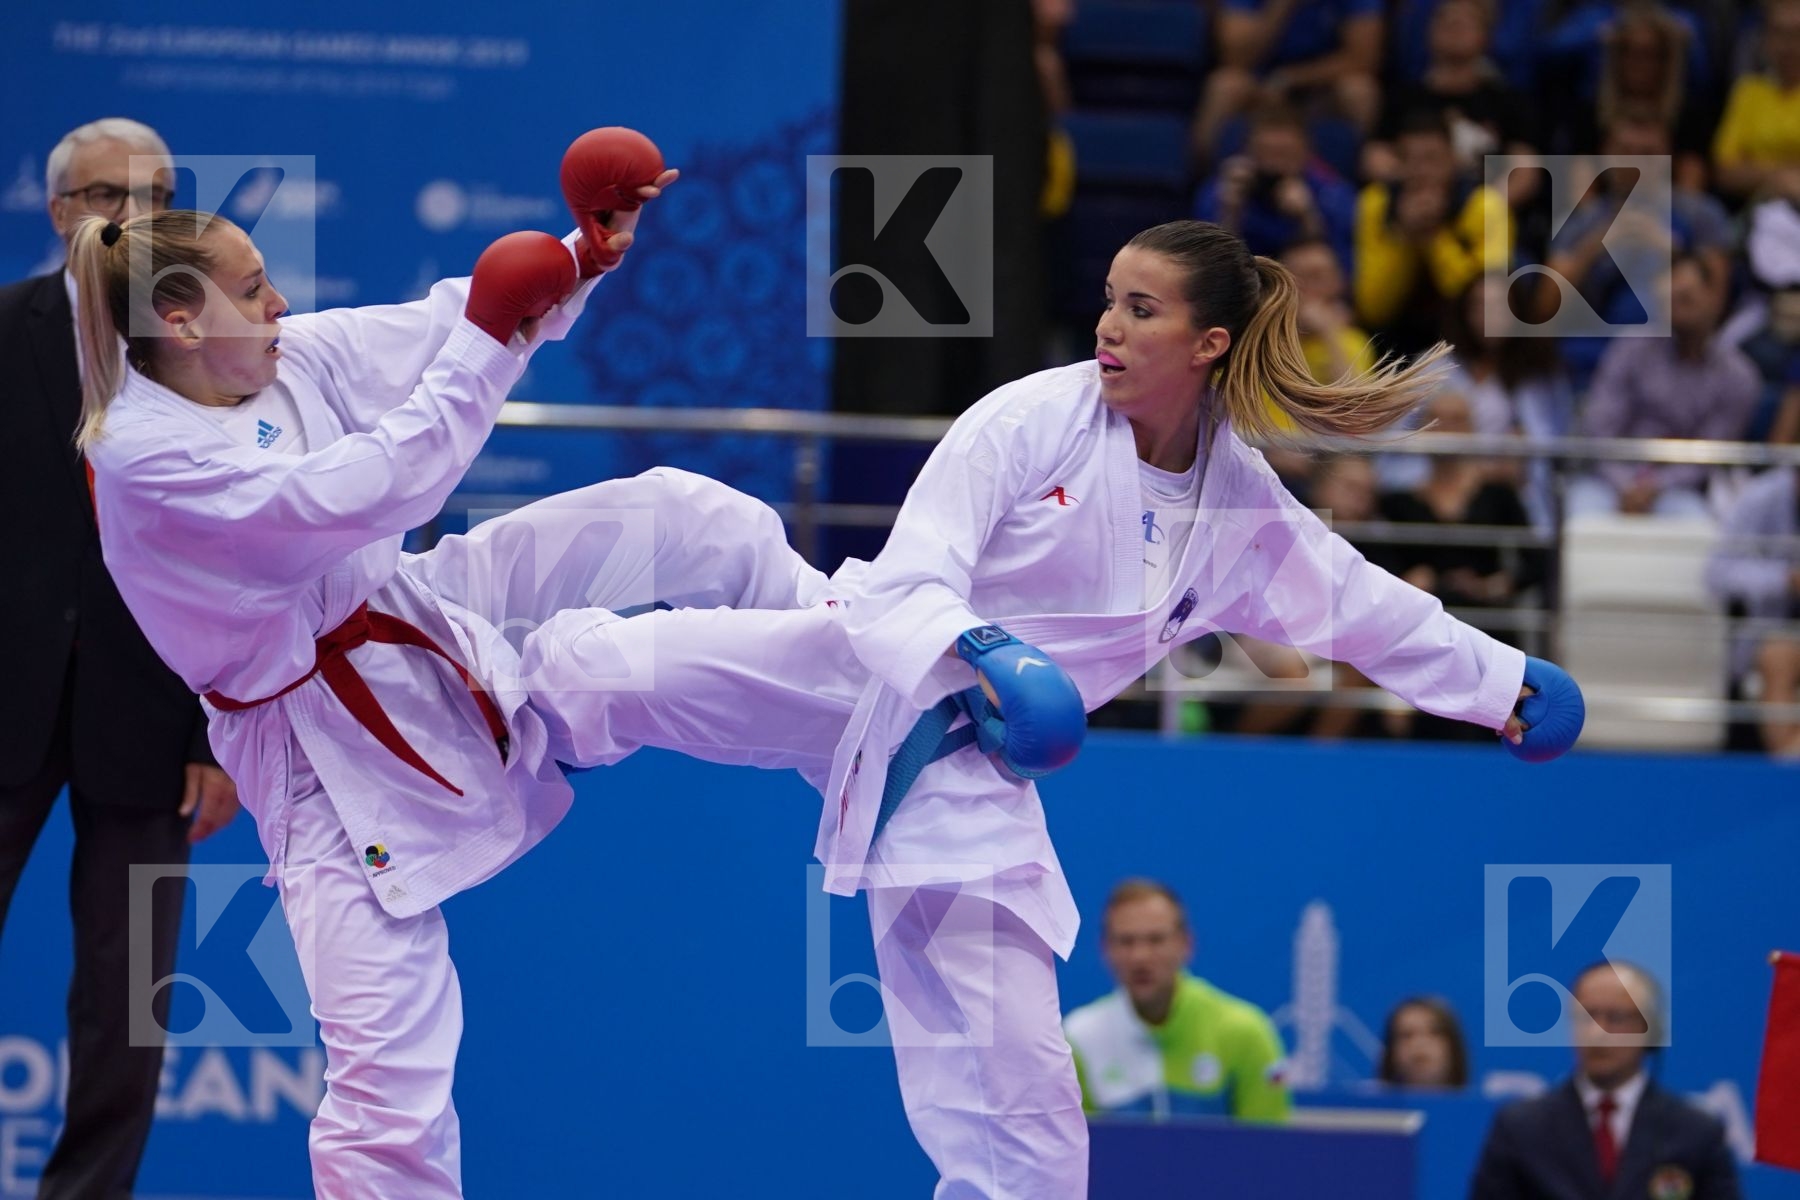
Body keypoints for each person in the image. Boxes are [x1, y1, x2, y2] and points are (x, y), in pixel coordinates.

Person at [525, 218, 1587, 1198]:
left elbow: (1368, 612)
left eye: (1143, 309)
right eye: (1111, 300)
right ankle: (453, 671)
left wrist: (1503, 683)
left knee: (1032, 1138)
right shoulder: (1032, 418)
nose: (1110, 327)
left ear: (1209, 343)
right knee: (602, 671)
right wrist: (987, 648)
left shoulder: (1239, 506)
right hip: (869, 662)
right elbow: (910, 579)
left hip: (965, 779)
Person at [71, 141, 838, 1198]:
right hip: (314, 750)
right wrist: (489, 334)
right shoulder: (147, 461)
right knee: (391, 1087)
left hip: (408, 604)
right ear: (184, 322)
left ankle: (870, 665)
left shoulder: (274, 353)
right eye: (255, 290)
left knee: (687, 515)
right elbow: (381, 482)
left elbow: (436, 327)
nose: (283, 302)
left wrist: (580, 252)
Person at [0, 116, 239, 1200]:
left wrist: (216, 730)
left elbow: (237, 553)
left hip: (151, 720)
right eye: (107, 196)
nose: (129, 217)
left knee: (128, 996)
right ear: (59, 213)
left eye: (152, 198)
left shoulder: (200, 352)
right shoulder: (3, 331)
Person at [1468, 961, 1740, 1199]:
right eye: (1586, 1017)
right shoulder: (1521, 1128)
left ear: (1650, 1029)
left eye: (1616, 1017)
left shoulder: (1696, 1133)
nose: (1597, 1032)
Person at [1063, 879, 1290, 1119]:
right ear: (1106, 949)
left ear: (1186, 944)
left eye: (1156, 940)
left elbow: (1269, 1151)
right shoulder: (1079, 1037)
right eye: (1126, 941)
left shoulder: (1246, 1032)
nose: (1140, 956)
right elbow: (1075, 1150)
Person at [1570, 254, 1761, 518]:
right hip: (1610, 480)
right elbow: (1600, 430)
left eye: (1686, 299)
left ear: (1713, 300)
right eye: (1669, 299)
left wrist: (1656, 486)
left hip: (1683, 491)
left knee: (1694, 524)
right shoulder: (1628, 350)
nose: (1675, 309)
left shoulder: (1738, 376)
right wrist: (1626, 484)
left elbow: (1711, 453)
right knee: (1584, 517)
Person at [1354, 108, 1511, 359]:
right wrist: (1404, 235)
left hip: (1466, 345)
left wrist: (1433, 237)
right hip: (1396, 342)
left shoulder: (1484, 205)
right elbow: (1374, 308)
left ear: (1452, 158)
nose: (1421, 171)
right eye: (1410, 160)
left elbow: (1481, 308)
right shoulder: (1376, 202)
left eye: (1432, 159)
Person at [1195, 102, 1358, 272]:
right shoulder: (1224, 189)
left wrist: (1308, 218)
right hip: (1241, 286)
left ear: (1306, 151)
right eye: (1266, 152)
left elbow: (1343, 270)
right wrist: (1230, 213)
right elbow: (1206, 266)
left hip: (1305, 289)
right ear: (1248, 150)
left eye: (1284, 153)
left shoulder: (1332, 191)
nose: (1274, 164)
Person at [1705, 466, 1800, 756]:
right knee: (1778, 656)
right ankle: (1789, 764)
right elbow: (1717, 573)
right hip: (1776, 631)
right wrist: (1784, 579)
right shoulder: (1763, 496)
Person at [1713, 0, 1800, 205]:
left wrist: (1756, 169)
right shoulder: (1747, 92)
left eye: (1798, 34)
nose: (1789, 44)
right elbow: (1725, 171)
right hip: (1757, 209)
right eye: (1780, 33)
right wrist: (1781, 178)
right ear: (1766, 40)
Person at [1377, 995, 1470, 1088]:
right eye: (1407, 1035)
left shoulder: (1479, 1100)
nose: (1419, 1043)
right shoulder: (1369, 1101)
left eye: (1434, 1032)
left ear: (1453, 1046)